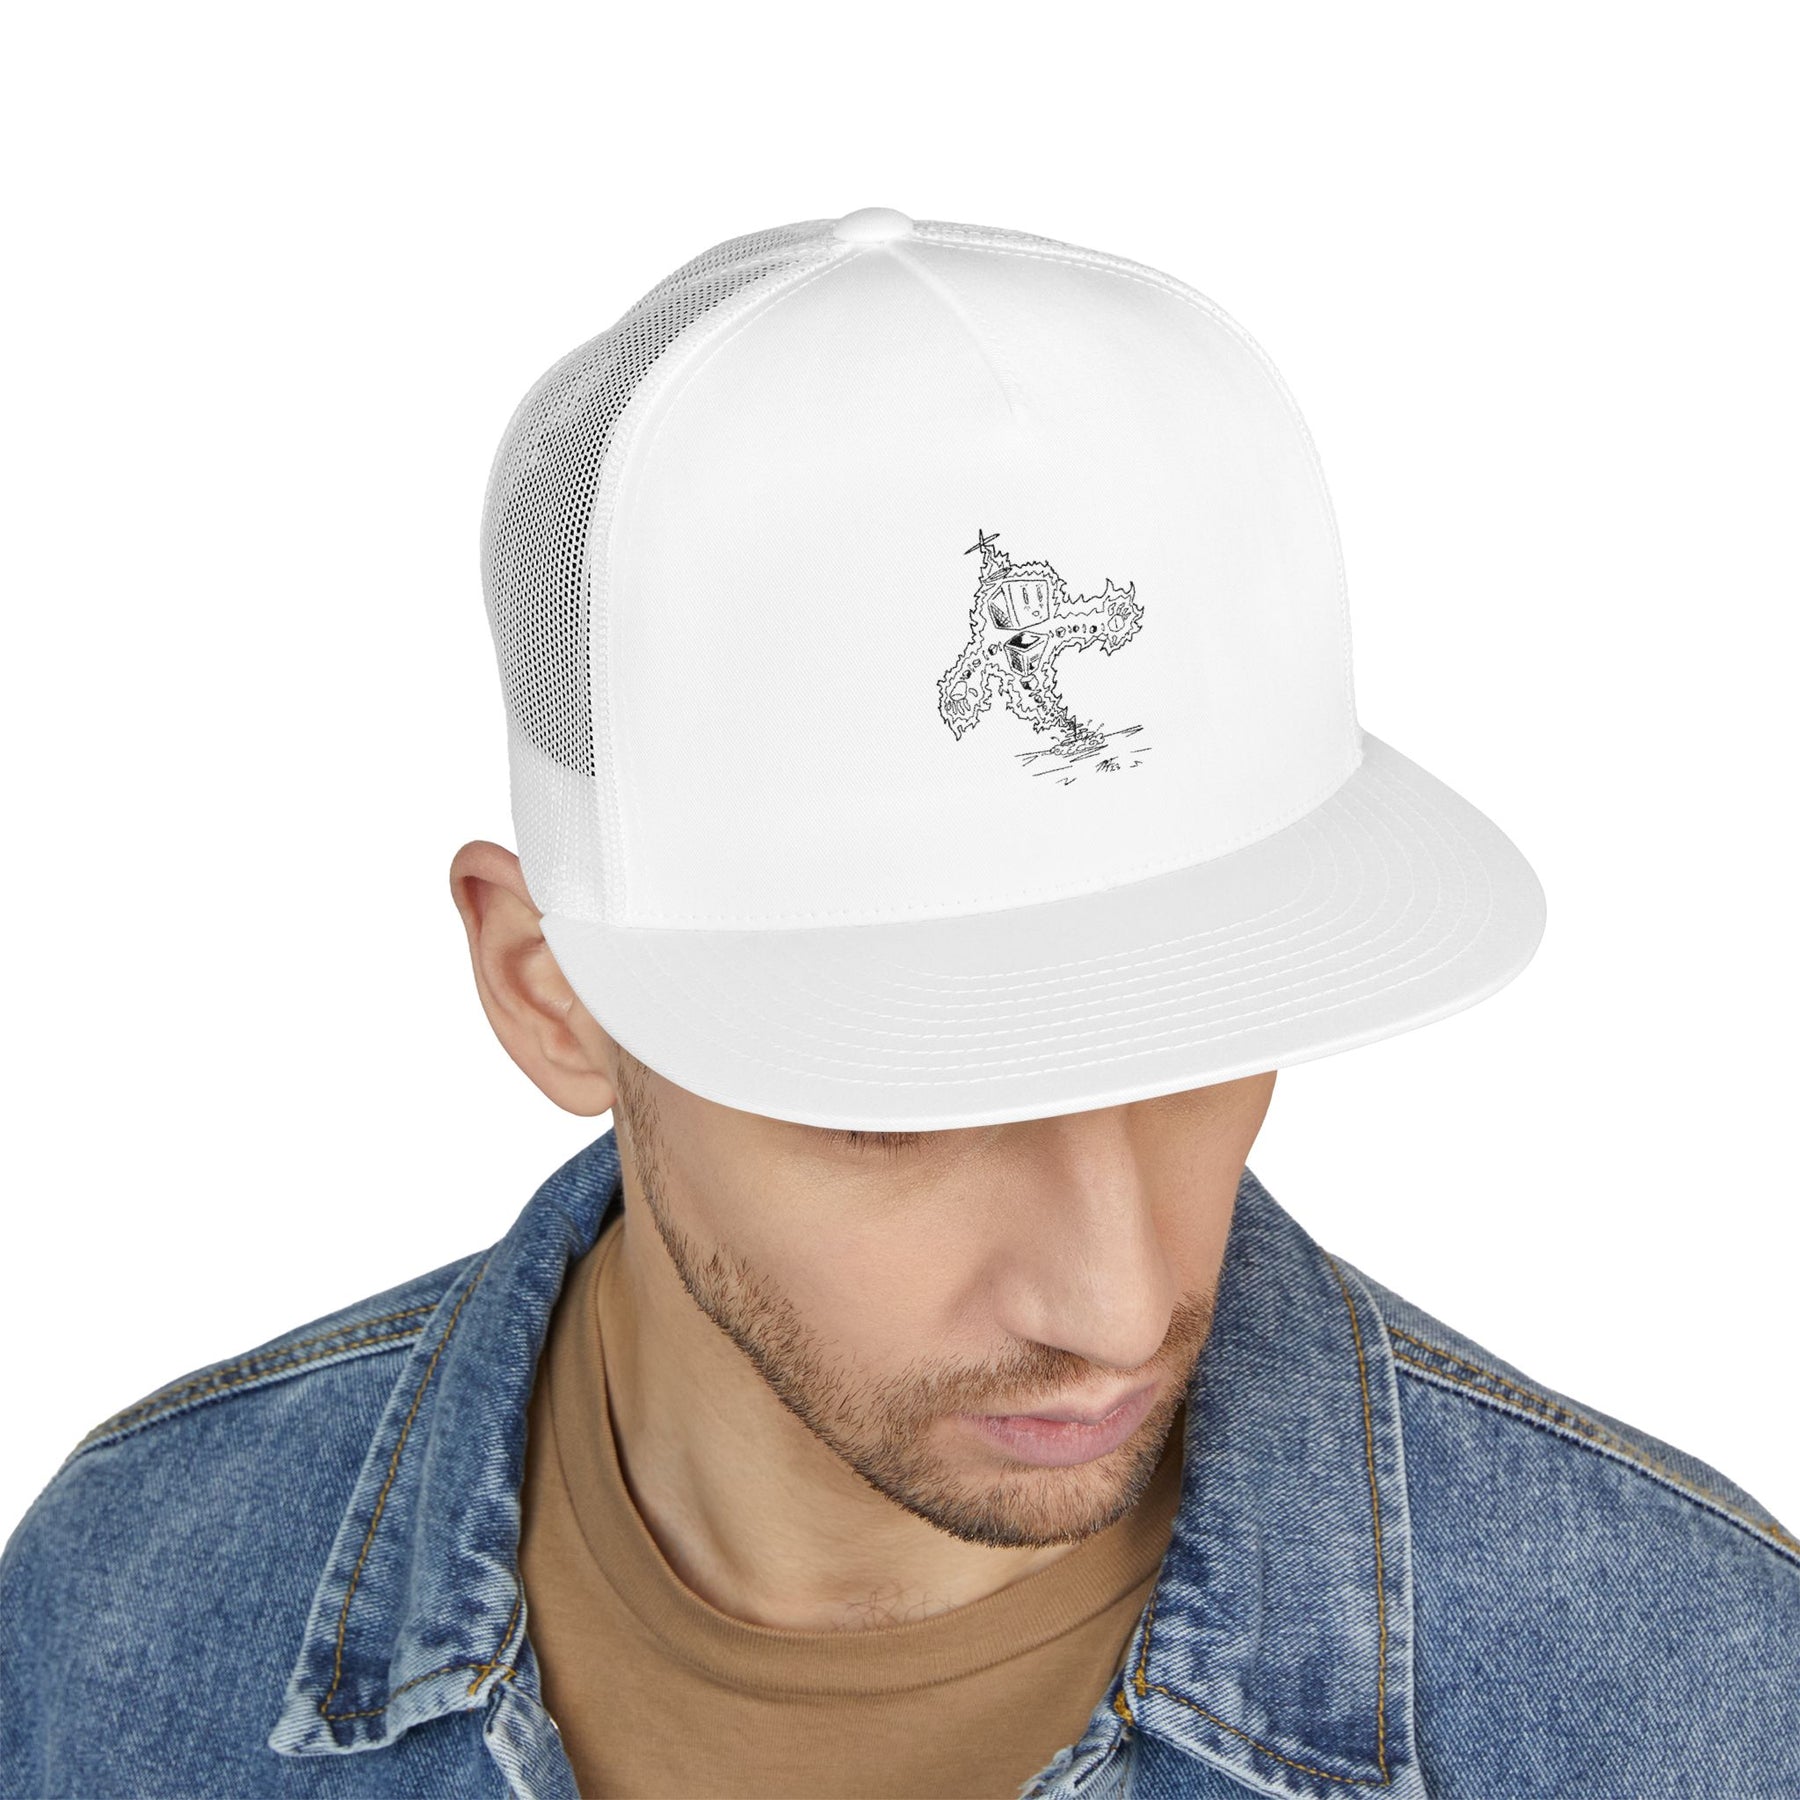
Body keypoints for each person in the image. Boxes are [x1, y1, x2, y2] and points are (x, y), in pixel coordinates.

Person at [2, 207, 1795, 1800]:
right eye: (905, 1103)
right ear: (551, 996)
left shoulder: (1695, 1701)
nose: (1116, 1303)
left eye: (1197, 1040)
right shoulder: (122, 1618)